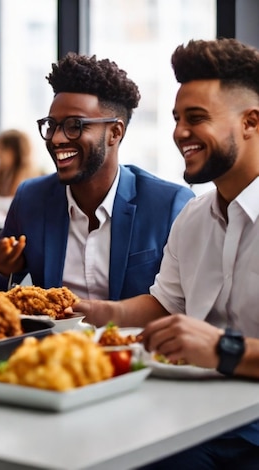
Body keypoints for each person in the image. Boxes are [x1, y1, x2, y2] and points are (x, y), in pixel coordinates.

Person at [72, 38, 259, 469]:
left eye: (196, 118)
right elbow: (163, 305)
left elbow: (216, 348)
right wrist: (91, 312)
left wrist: (223, 350)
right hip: (192, 414)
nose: (179, 133)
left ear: (251, 121)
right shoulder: (194, 218)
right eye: (177, 119)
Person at [0, 53, 195, 299]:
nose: (57, 138)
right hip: (53, 338)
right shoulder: (31, 198)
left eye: (75, 125)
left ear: (114, 132)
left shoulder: (169, 204)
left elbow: (186, 303)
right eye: (52, 125)